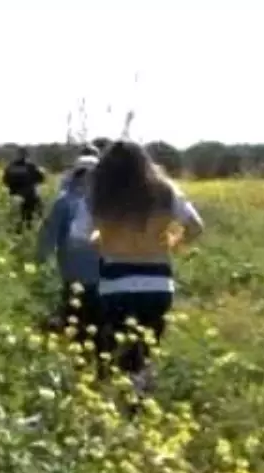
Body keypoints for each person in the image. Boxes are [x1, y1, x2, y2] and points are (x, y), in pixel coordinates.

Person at [68, 139, 204, 390]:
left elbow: (77, 237)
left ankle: (118, 403)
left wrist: (103, 242)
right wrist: (171, 242)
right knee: (145, 350)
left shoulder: (98, 195)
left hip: (115, 285)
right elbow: (196, 226)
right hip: (158, 284)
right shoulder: (165, 190)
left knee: (118, 351)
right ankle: (140, 399)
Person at [36, 153, 102, 342]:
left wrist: (41, 256)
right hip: (92, 268)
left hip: (77, 267)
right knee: (89, 311)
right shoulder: (105, 202)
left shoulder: (66, 200)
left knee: (77, 308)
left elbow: (49, 233)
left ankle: (79, 346)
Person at [2, 147, 46, 231]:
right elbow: (41, 178)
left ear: (17, 155)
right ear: (26, 155)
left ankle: (16, 231)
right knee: (31, 215)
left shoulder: (11, 166)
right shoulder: (31, 166)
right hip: (29, 195)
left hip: (14, 195)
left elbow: (5, 180)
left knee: (16, 217)